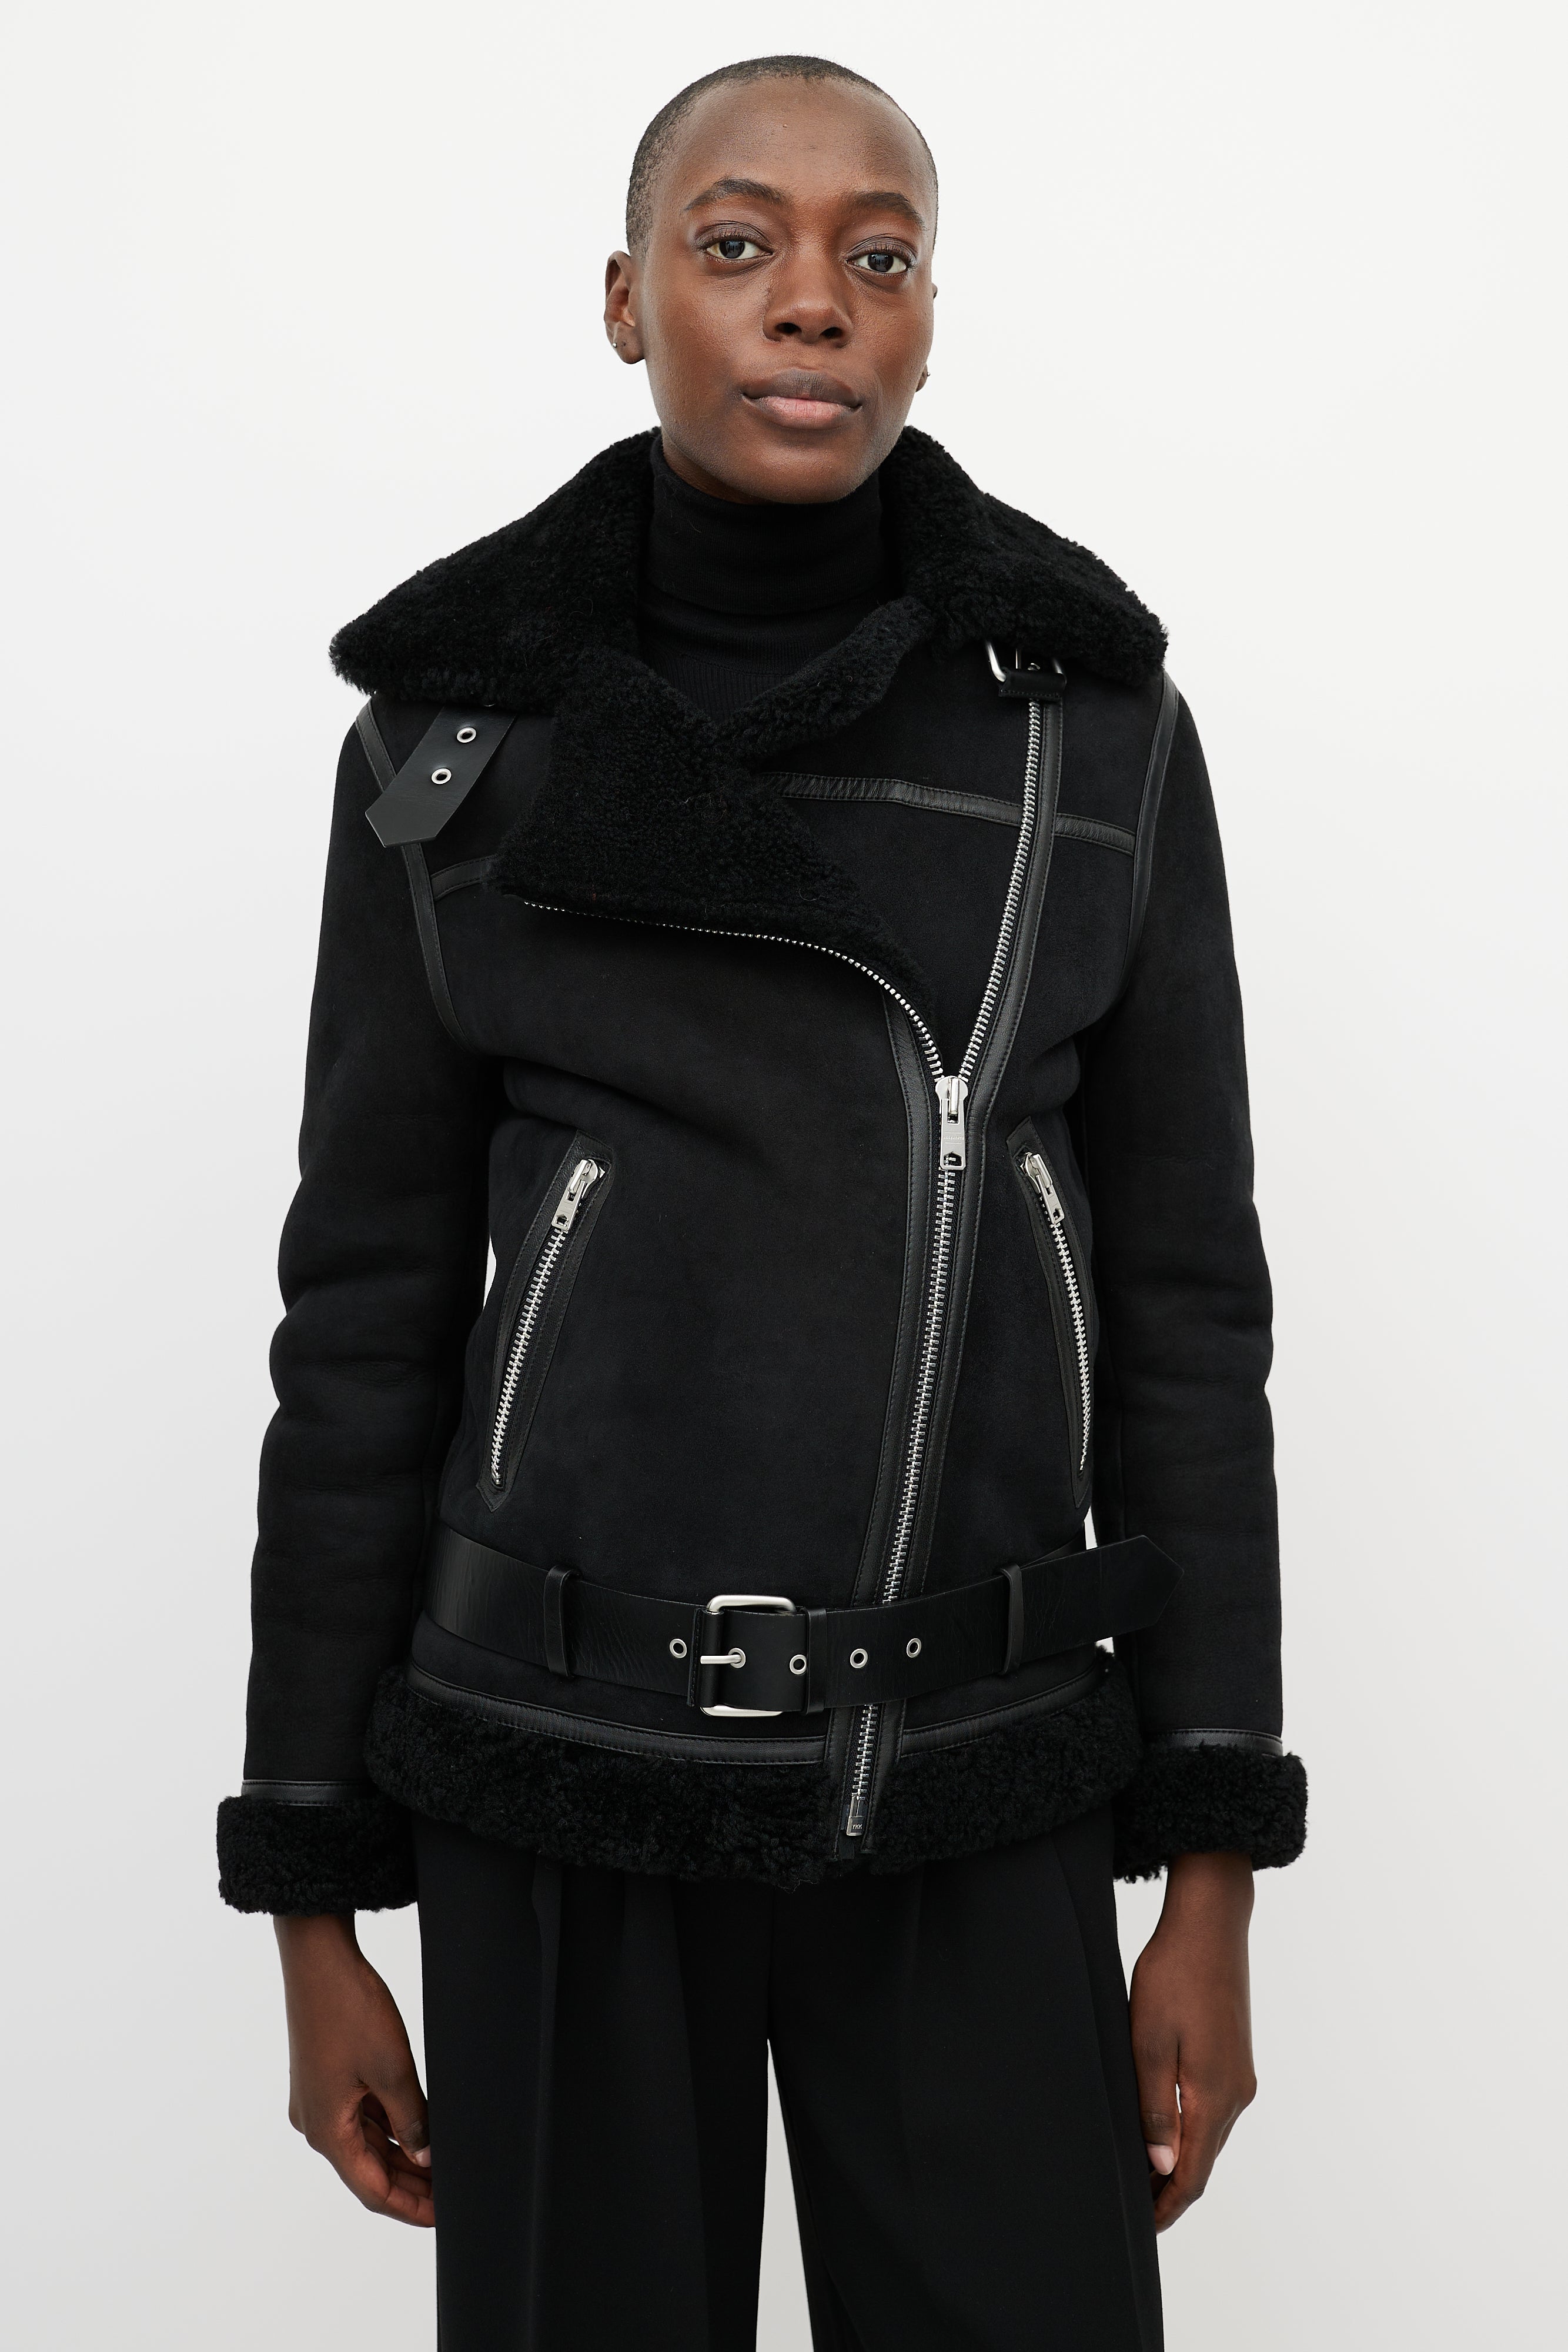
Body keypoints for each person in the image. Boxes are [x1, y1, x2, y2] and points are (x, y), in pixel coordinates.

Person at [218, 53, 1306, 2351]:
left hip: (974, 1763)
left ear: (926, 319)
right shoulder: (450, 743)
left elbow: (1188, 1305)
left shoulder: (1088, 727)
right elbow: (365, 1313)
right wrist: (313, 1892)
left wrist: (1207, 1865)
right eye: (737, 245)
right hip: (554, 1769)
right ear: (629, 301)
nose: (812, 298)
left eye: (875, 255)